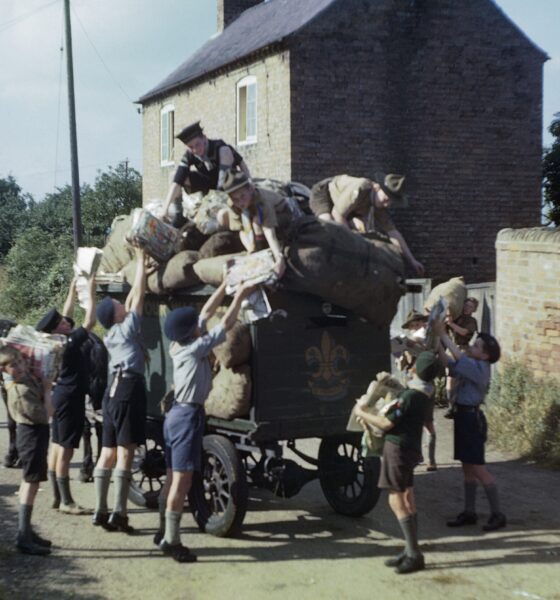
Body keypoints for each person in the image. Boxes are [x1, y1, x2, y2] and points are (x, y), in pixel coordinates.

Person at [156, 279, 255, 562]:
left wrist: (225, 284)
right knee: (183, 481)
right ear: (193, 333)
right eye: (197, 326)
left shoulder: (179, 344)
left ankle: (163, 529)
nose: (202, 324)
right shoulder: (194, 349)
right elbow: (225, 323)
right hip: (187, 416)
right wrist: (242, 295)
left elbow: (206, 312)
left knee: (173, 475)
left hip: (177, 415)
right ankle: (172, 541)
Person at [354, 351, 441, 574]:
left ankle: (414, 554)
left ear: (415, 370)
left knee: (396, 499)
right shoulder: (426, 394)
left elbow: (385, 423)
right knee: (408, 498)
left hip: (398, 449)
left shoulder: (410, 396)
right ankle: (410, 548)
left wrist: (361, 412)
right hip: (410, 448)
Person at [92, 248, 148, 533]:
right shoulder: (126, 329)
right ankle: (119, 514)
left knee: (107, 452)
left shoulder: (113, 332)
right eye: (117, 303)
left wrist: (141, 275)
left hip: (111, 394)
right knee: (125, 453)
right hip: (128, 390)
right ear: (116, 314)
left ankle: (100, 510)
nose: (121, 303)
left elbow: (129, 300)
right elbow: (137, 299)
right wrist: (140, 261)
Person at [433, 320, 506, 532]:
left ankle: (497, 514)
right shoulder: (472, 365)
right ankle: (469, 511)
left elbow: (458, 357)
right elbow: (449, 363)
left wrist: (444, 335)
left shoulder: (480, 368)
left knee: (478, 469)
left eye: (476, 346)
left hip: (472, 420)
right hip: (463, 418)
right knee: (467, 468)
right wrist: (437, 342)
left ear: (485, 356)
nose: (471, 347)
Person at [36, 276, 97, 515]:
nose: (66, 321)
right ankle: (67, 501)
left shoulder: (55, 340)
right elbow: (90, 321)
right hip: (71, 398)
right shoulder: (70, 342)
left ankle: (56, 496)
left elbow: (66, 312)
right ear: (57, 328)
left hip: (59, 395)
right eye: (62, 322)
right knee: (67, 449)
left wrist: (72, 290)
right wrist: (90, 291)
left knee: (56, 445)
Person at [309, 173, 424, 275]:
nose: (387, 204)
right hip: (325, 194)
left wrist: (412, 260)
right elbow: (337, 214)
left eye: (390, 202)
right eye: (386, 198)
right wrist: (352, 243)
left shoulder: (379, 205)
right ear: (377, 187)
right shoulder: (360, 187)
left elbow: (393, 233)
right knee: (329, 225)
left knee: (362, 230)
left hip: (348, 208)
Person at [0, 346, 53, 555]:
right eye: (13, 365)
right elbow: (47, 414)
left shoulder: (19, 381)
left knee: (30, 481)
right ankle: (23, 536)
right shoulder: (19, 390)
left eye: (21, 362)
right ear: (3, 370)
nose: (20, 367)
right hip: (31, 436)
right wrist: (48, 391)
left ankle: (27, 530)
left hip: (33, 436)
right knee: (31, 482)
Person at [162, 121, 251, 223]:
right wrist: (164, 209)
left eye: (197, 144)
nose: (195, 149)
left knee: (225, 151)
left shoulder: (219, 146)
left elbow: (242, 164)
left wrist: (249, 182)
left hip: (227, 183)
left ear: (204, 138)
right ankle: (179, 216)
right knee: (173, 174)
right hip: (207, 183)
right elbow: (177, 181)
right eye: (191, 147)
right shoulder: (190, 154)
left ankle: (222, 202)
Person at [218, 170, 302, 278]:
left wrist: (279, 257)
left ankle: (263, 249)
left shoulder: (262, 201)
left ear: (251, 189)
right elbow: (241, 229)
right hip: (252, 214)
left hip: (282, 212)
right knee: (237, 217)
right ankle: (256, 249)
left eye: (242, 196)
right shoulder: (233, 204)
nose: (240, 202)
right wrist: (250, 250)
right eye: (235, 199)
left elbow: (269, 232)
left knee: (257, 223)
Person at [397, 309, 437, 472]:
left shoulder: (430, 340)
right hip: (410, 384)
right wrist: (400, 354)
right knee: (411, 422)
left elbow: (430, 355)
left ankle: (431, 460)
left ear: (423, 324)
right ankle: (417, 455)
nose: (415, 328)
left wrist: (416, 345)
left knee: (428, 423)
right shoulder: (409, 343)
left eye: (417, 324)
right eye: (412, 326)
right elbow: (401, 366)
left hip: (426, 385)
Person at [444, 297, 479, 418]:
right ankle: (450, 406)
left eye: (470, 306)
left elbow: (464, 332)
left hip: (463, 350)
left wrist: (451, 324)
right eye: (466, 305)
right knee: (450, 379)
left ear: (474, 309)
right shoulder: (456, 317)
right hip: (450, 349)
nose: (467, 308)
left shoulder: (472, 321)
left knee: (460, 380)